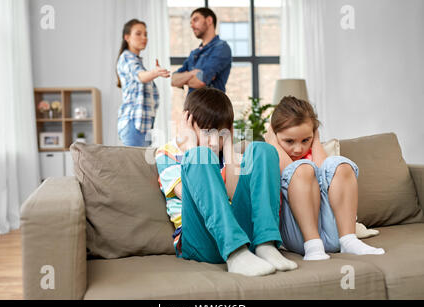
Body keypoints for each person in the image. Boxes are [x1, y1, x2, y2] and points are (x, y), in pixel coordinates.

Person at [155, 87, 297, 277]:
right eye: (207, 133)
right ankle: (235, 253)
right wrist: (191, 147)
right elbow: (191, 195)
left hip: (243, 236)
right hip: (200, 240)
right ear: (188, 124)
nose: (214, 142)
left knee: (262, 150)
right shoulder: (166, 154)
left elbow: (232, 192)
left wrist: (229, 145)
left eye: (221, 134)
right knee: (200, 155)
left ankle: (265, 245)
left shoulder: (226, 151)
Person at [264, 96, 385, 260]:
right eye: (289, 141)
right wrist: (273, 142)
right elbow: (290, 173)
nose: (298, 148)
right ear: (274, 134)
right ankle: (313, 245)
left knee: (339, 165)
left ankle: (349, 240)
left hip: (332, 234)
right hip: (298, 236)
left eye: (306, 140)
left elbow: (324, 174)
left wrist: (316, 141)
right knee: (302, 170)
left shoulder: (313, 151)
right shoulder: (269, 154)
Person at [116, 19, 170, 147]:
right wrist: (155, 73)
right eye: (138, 34)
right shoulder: (127, 57)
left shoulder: (136, 61)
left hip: (142, 127)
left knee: (140, 166)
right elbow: (140, 76)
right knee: (135, 166)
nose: (144, 37)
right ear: (127, 37)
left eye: (145, 34)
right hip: (134, 126)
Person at [171, 8, 232, 94]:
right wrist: (192, 74)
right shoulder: (194, 53)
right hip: (191, 106)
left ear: (209, 20)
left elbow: (200, 81)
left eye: (195, 20)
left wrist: (184, 78)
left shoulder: (221, 48)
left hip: (211, 106)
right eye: (191, 23)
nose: (192, 26)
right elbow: (173, 80)